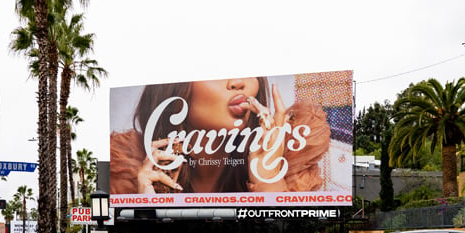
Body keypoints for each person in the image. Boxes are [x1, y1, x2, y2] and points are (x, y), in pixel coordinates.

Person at [110, 78, 331, 194]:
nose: (238, 83)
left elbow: (281, 229)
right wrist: (147, 204)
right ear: (174, 88)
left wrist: (269, 180)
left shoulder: (288, 161)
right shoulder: (126, 169)